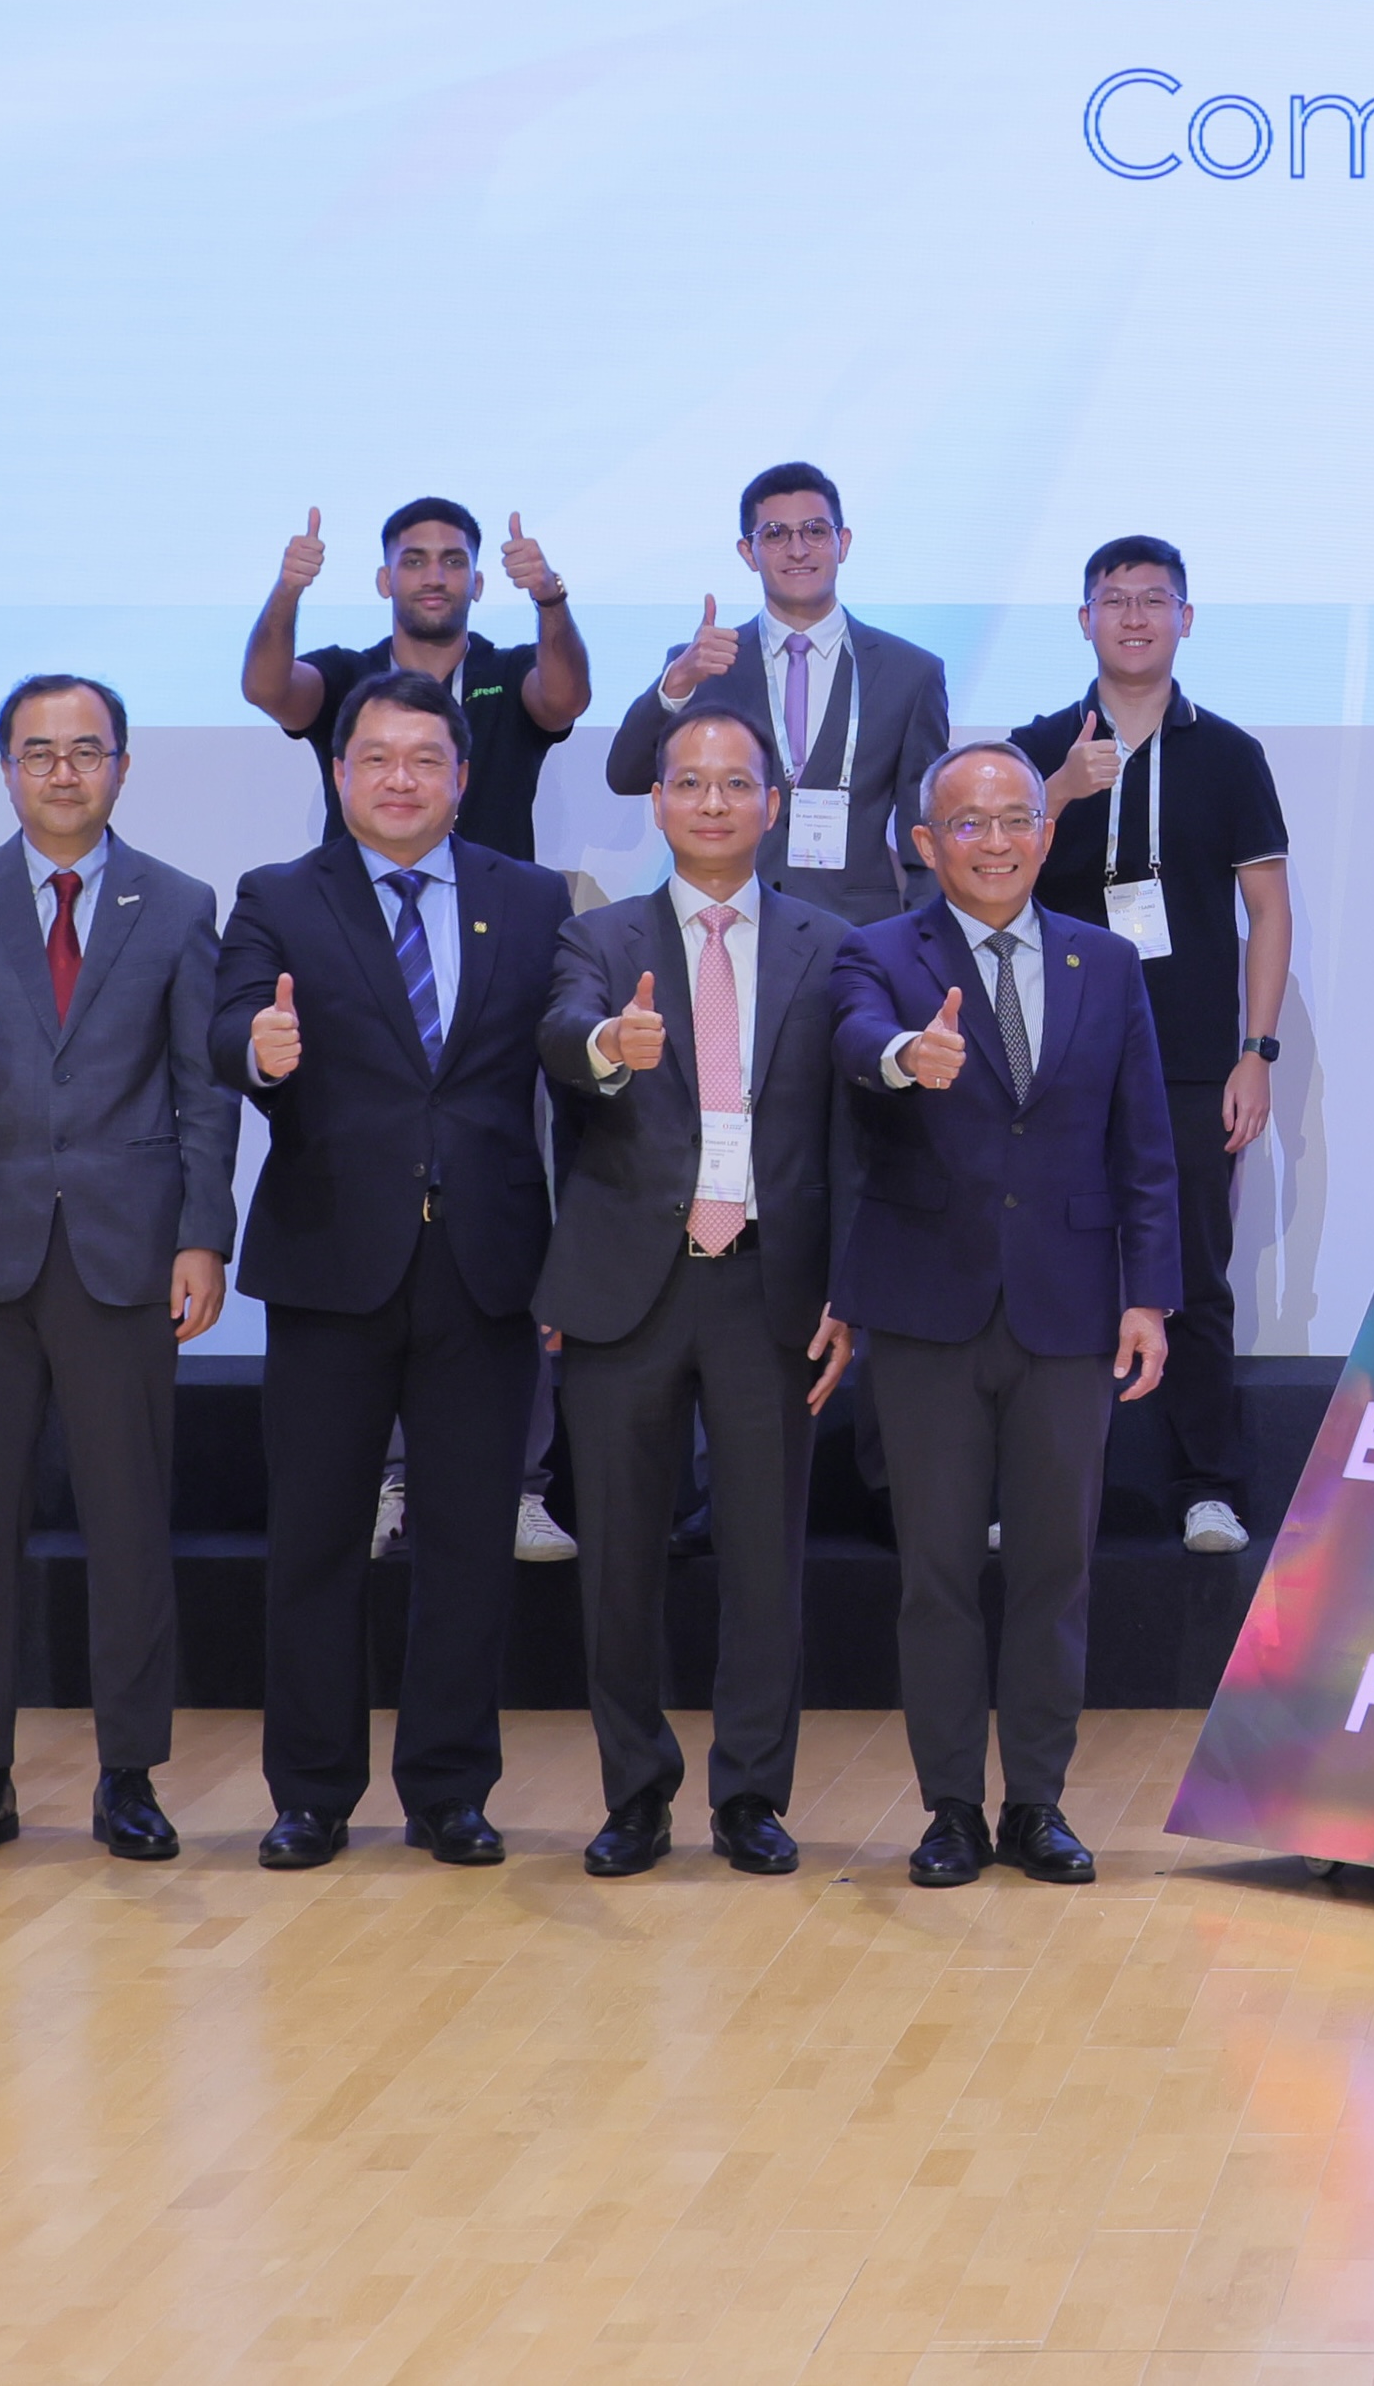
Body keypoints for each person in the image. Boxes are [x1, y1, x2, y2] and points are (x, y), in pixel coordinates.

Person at [214, 671, 576, 1870]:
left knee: (467, 1539)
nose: (401, 777)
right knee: (316, 1538)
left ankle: (448, 1787)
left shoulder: (530, 902)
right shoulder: (278, 895)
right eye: (376, 758)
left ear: (462, 776)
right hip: (330, 1257)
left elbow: (566, 1067)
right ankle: (310, 1790)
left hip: (485, 1260)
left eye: (425, 758)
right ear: (339, 773)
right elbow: (226, 1027)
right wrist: (255, 1051)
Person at [0, 674, 236, 1865]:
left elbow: (205, 1084)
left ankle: (129, 1775)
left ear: (124, 767)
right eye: (39, 751)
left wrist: (203, 1232)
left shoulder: (180, 902)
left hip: (126, 1247)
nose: (64, 770)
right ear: (5, 767)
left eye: (87, 750)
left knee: (130, 1521)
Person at [828, 745, 1177, 1892]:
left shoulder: (1107, 960)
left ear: (1045, 829)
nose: (992, 839)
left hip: (1071, 1311)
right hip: (926, 1311)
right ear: (925, 844)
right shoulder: (876, 951)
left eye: (1012, 817)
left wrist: (1147, 1293)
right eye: (964, 822)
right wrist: (902, 1056)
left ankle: (1035, 1800)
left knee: (1051, 1568)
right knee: (933, 1569)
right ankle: (947, 1810)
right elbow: (854, 1045)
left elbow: (1144, 1146)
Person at [538, 706, 857, 1879]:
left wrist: (849, 1290)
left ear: (772, 802)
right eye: (690, 782)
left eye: (736, 782)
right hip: (630, 1285)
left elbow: (853, 1135)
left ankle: (750, 1795)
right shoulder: (598, 932)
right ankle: (633, 1792)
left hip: (771, 1285)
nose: (713, 801)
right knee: (617, 1555)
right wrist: (612, 1041)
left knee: (764, 1557)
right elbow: (561, 1034)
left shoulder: (833, 941)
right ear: (657, 800)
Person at [1016, 538, 1293, 1556]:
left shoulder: (1227, 752)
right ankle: (1040, 1488)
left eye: (1152, 599)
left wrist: (1255, 1048)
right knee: (1047, 1270)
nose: (1132, 616)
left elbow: (1266, 910)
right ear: (1082, 616)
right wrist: (1051, 795)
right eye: (1112, 599)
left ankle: (1208, 1486)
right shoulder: (1040, 745)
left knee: (1194, 1274)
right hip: (1052, 1051)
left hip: (1186, 1053)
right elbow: (981, 876)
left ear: (1185, 615)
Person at [607, 460, 959, 928]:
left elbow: (924, 827)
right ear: (748, 552)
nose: (797, 549)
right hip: (725, 922)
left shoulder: (909, 673)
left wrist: (919, 939)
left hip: (860, 933)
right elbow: (624, 774)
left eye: (815, 530)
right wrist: (675, 685)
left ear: (843, 542)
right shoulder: (705, 662)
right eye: (774, 534)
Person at [244, 495, 593, 859]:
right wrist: (288, 590)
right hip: (356, 906)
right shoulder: (348, 675)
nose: (434, 578)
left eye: (453, 561)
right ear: (385, 581)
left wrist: (549, 597)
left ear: (477, 584)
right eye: (413, 561)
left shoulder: (510, 671)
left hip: (492, 906)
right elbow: (265, 690)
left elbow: (566, 701)